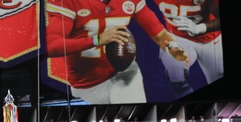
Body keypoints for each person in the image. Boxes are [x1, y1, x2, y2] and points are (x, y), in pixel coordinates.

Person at [44, 0, 189, 104]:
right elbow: (50, 46)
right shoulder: (69, 2)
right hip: (84, 83)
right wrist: (97, 40)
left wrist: (172, 46)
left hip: (122, 72)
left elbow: (160, 35)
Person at [157, 0, 223, 96]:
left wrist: (200, 28)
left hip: (210, 39)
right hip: (178, 37)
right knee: (176, 78)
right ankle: (192, 109)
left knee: (220, 83)